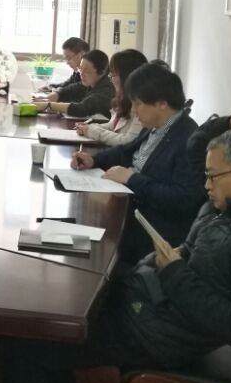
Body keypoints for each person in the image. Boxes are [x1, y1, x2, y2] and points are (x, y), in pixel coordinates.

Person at [1, 118, 231, 383]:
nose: (205, 185)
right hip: (148, 299)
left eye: (212, 176)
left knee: (25, 347)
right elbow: (195, 146)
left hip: (159, 333)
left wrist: (175, 272)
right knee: (63, 291)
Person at [69, 63, 201, 263]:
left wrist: (132, 179)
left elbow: (182, 199)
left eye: (138, 104)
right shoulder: (156, 126)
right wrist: (93, 160)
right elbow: (126, 152)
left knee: (89, 243)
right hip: (130, 206)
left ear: (162, 103)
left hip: (152, 231)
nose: (134, 111)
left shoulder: (188, 139)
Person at [75, 49, 148, 146]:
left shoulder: (143, 104)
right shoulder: (123, 99)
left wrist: (92, 131)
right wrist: (88, 127)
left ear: (126, 76)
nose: (110, 78)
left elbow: (128, 141)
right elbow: (112, 126)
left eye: (113, 74)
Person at [35, 50, 114, 119]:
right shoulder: (90, 83)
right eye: (80, 69)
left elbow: (82, 109)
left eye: (86, 70)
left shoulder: (107, 89)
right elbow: (69, 90)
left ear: (101, 72)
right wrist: (48, 98)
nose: (81, 74)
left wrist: (49, 105)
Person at [41, 37, 90, 102]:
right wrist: (50, 87)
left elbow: (79, 87)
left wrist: (58, 94)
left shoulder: (92, 74)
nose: (67, 62)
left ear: (81, 54)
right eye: (66, 59)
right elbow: (67, 84)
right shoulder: (78, 71)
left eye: (69, 58)